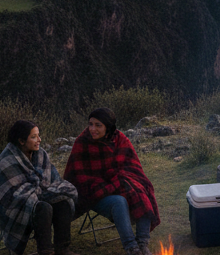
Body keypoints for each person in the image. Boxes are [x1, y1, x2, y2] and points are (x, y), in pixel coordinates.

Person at [65, 108, 160, 255]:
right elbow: (77, 177)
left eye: (98, 125)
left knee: (142, 190)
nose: (93, 129)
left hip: (118, 184)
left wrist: (116, 180)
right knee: (119, 201)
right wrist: (107, 184)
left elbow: (132, 168)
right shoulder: (82, 142)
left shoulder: (120, 139)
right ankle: (132, 248)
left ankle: (142, 242)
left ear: (108, 127)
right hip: (93, 193)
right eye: (91, 124)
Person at [0, 119, 78, 255]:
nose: (39, 140)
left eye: (38, 135)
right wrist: (37, 194)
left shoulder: (41, 154)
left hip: (39, 195)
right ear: (21, 141)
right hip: (15, 205)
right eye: (34, 137)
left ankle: (62, 249)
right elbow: (12, 195)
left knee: (63, 202)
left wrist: (42, 192)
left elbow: (52, 180)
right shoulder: (7, 160)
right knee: (43, 208)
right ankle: (45, 251)